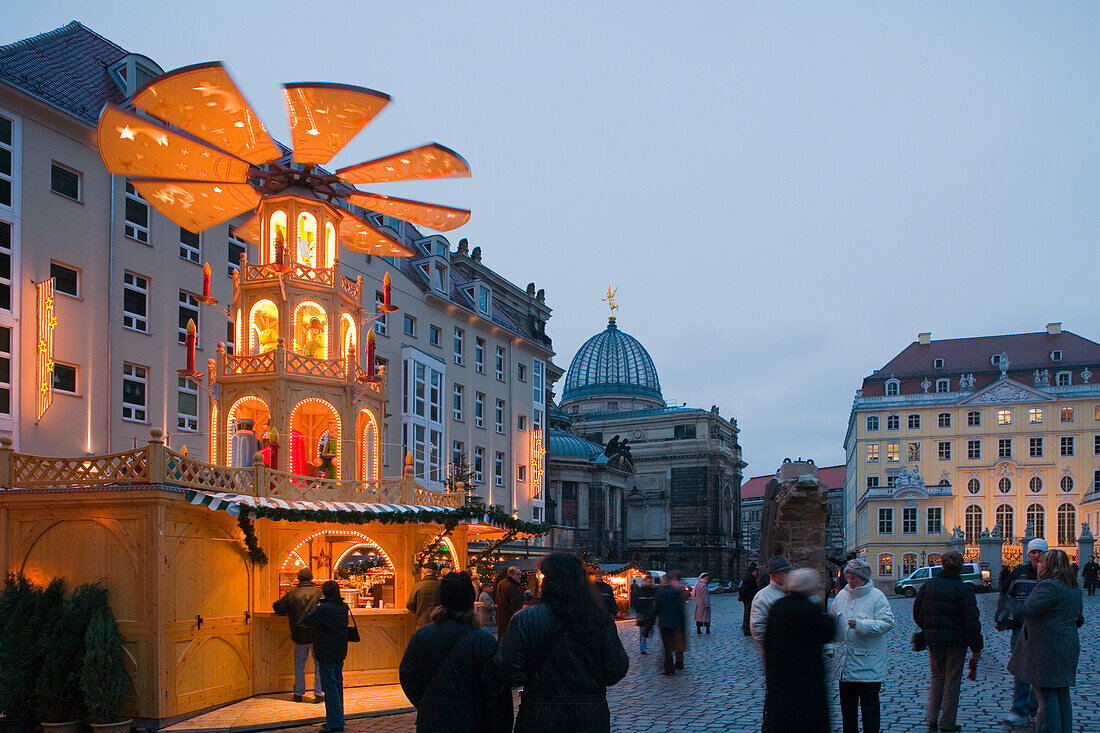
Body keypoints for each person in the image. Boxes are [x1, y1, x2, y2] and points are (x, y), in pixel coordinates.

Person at [499, 553, 628, 732]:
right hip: (588, 716)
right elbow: (616, 669)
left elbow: (511, 671)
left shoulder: (524, 619)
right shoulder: (599, 619)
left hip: (540, 714)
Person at [399, 571, 513, 733]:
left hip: (432, 721)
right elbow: (496, 692)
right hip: (472, 721)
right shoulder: (483, 641)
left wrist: (425, 701)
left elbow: (407, 674)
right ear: (469, 601)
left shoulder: (422, 636)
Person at [1007, 549, 1085, 733]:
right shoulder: (1073, 586)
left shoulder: (1048, 586)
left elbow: (1029, 608)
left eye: (1041, 563)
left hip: (1046, 647)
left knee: (1046, 696)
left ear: (1049, 566)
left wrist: (1009, 604)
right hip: (1066, 645)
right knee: (1062, 694)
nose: (1038, 565)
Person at [914, 550, 983, 733]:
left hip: (934, 641)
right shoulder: (963, 589)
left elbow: (917, 612)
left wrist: (928, 628)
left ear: (942, 565)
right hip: (956, 643)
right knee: (952, 681)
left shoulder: (929, 585)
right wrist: (977, 647)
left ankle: (931, 719)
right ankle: (947, 723)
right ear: (960, 568)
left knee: (937, 677)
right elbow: (971, 621)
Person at [763, 568, 834, 733]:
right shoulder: (810, 608)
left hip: (781, 675)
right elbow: (828, 632)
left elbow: (768, 639)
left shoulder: (778, 606)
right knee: (808, 720)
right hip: (807, 677)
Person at [827, 559, 894, 733]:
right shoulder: (842, 596)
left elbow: (887, 623)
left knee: (869, 710)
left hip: (868, 665)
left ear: (863, 577)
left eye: (854, 578)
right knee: (847, 711)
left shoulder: (877, 597)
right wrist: (829, 646)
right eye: (848, 577)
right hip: (845, 665)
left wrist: (862, 625)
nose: (850, 581)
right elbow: (832, 623)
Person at [996, 538, 1045, 726]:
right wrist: (1000, 618)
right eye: (1033, 552)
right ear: (1028, 554)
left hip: (1041, 630)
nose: (1036, 555)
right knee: (1021, 670)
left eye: (1039, 552)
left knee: (1038, 671)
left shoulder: (1049, 575)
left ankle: (1034, 709)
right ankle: (1020, 710)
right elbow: (1005, 595)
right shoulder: (1019, 573)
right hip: (1020, 629)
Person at [302, 580, 351, 732]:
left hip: (326, 650)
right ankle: (337, 718)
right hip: (340, 649)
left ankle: (335, 723)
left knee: (329, 685)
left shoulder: (323, 609)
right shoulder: (343, 606)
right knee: (337, 684)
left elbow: (307, 620)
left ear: (325, 592)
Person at [272, 568, 324, 702]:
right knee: (319, 663)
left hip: (299, 633)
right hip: (316, 632)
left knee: (299, 663)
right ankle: (319, 693)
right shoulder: (318, 593)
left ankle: (299, 693)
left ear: (299, 579)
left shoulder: (292, 594)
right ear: (311, 578)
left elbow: (278, 608)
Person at [750, 555, 792, 655]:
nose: (788, 575)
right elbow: (758, 628)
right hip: (775, 651)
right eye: (784, 572)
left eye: (788, 572)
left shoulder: (791, 592)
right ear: (773, 575)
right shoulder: (763, 597)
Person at [654, 572, 687, 675]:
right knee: (677, 644)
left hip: (664, 624)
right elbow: (680, 609)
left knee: (667, 647)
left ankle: (669, 668)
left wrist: (648, 625)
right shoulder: (677, 592)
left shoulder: (660, 593)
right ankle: (678, 662)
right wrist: (682, 624)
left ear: (663, 582)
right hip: (676, 623)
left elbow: (656, 610)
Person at [406, 564, 442, 628]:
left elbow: (410, 604)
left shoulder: (418, 586)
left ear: (424, 572)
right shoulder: (442, 586)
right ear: (436, 572)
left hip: (422, 622)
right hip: (438, 622)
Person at [630, 574, 657, 654]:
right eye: (648, 582)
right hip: (641, 614)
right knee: (642, 631)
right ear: (644, 582)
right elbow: (635, 602)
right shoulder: (639, 591)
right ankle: (643, 648)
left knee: (650, 629)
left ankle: (646, 645)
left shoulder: (653, 591)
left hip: (650, 614)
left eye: (650, 582)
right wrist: (638, 612)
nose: (649, 583)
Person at [495, 566, 524, 638]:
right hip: (510, 621)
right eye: (517, 574)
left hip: (502, 620)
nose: (520, 576)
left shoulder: (501, 583)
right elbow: (516, 607)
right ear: (511, 575)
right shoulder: (512, 587)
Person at [738, 563, 758, 636]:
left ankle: (747, 628)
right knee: (748, 614)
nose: (756, 573)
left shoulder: (749, 578)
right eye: (755, 571)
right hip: (749, 599)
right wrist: (741, 597)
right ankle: (746, 629)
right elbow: (744, 589)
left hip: (749, 598)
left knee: (748, 613)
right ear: (752, 571)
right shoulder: (750, 578)